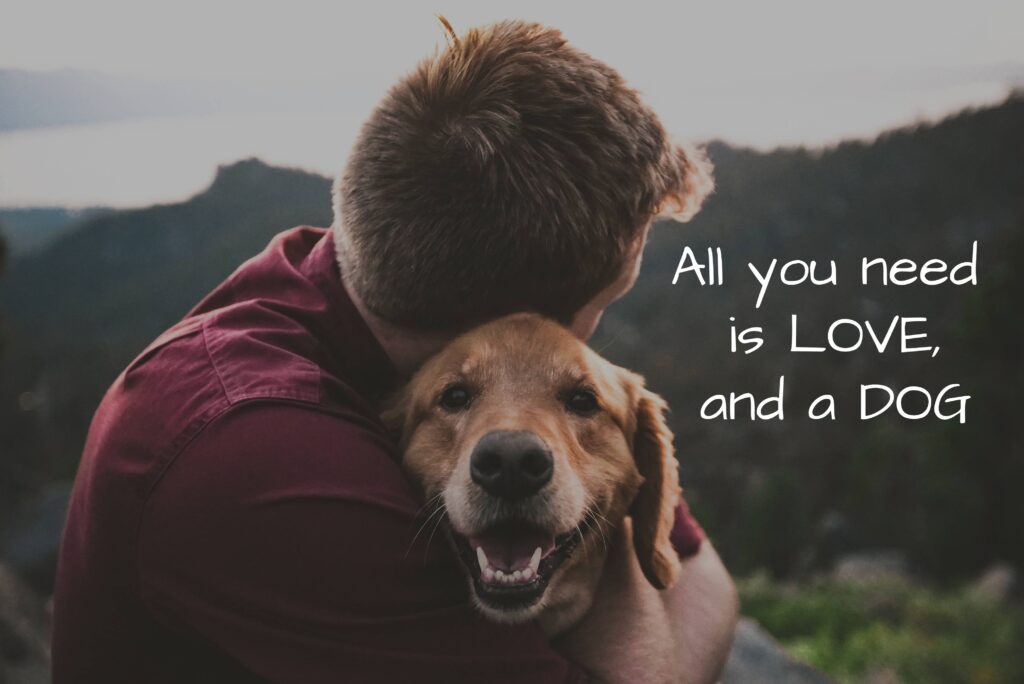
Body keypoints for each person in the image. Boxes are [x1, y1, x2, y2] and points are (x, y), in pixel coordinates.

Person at [52, 19, 737, 683]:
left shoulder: (344, 281)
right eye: (603, 304)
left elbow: (702, 575)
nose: (578, 344)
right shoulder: (263, 461)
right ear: (516, 320)